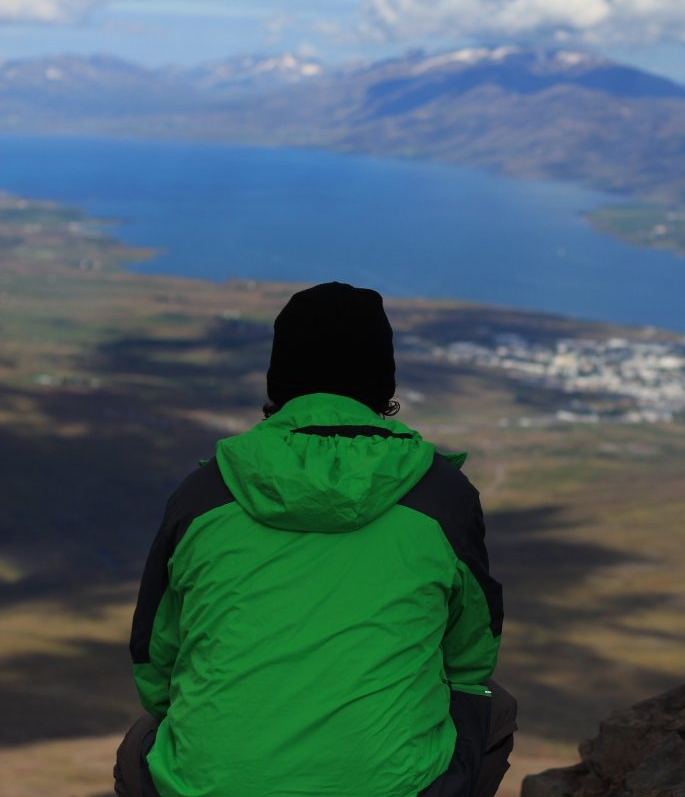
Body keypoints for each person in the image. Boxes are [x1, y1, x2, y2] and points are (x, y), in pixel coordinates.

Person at [115, 282, 515, 797]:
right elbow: (471, 657)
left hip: (211, 787)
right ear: (382, 381)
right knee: (491, 702)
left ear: (279, 378)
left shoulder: (206, 491)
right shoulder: (440, 496)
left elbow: (155, 660)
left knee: (144, 741)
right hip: (392, 785)